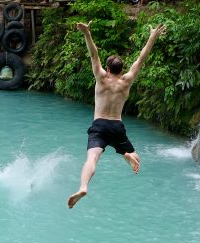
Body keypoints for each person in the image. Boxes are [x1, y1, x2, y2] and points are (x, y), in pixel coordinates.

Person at [67, 21, 166, 209]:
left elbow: (93, 54)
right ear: (122, 69)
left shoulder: (101, 78)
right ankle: (127, 155)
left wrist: (87, 33)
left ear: (107, 67)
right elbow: (142, 58)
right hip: (116, 126)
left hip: (99, 126)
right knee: (136, 157)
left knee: (92, 159)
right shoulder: (126, 81)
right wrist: (153, 36)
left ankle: (83, 187)